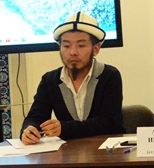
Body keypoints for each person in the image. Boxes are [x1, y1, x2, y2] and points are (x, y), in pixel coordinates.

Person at [20, 12, 124, 144]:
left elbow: (110, 122)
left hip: (106, 151)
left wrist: (65, 128)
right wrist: (28, 130)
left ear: (96, 49)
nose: (73, 52)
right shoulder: (49, 80)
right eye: (66, 46)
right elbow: (35, 117)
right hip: (68, 152)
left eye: (81, 45)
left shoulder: (109, 75)